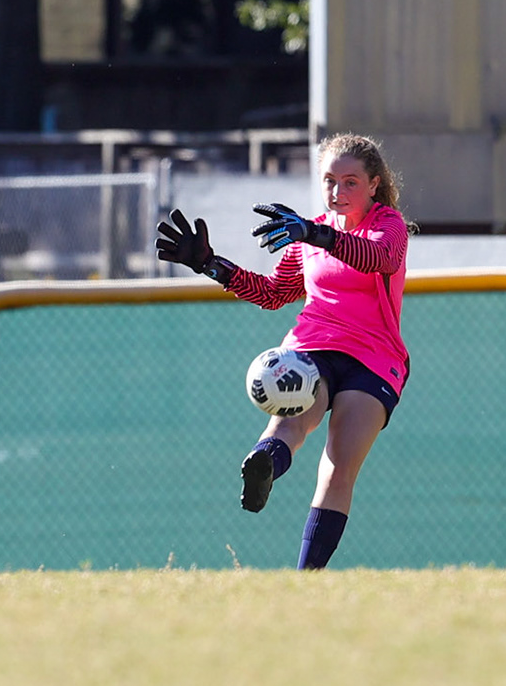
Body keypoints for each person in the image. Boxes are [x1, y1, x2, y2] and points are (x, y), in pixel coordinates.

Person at [155, 134, 409, 569]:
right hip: (311, 347)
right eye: (330, 181)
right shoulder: (307, 233)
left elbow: (378, 258)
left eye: (350, 182)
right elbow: (274, 293)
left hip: (373, 358)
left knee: (337, 466)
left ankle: (304, 578)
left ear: (374, 185)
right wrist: (212, 265)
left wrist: (316, 233)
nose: (337, 192)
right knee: (292, 428)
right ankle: (264, 465)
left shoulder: (387, 226)